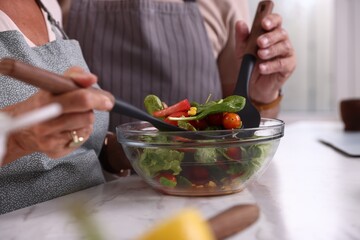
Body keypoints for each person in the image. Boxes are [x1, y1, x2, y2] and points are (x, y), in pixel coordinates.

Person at [58, 0, 296, 131]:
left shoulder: (225, 3)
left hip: (201, 185)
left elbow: (239, 123)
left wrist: (262, 96)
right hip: (91, 192)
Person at [0, 0, 127, 214]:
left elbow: (74, 148)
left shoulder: (49, 5)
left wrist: (118, 149)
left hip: (94, 218)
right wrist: (15, 138)